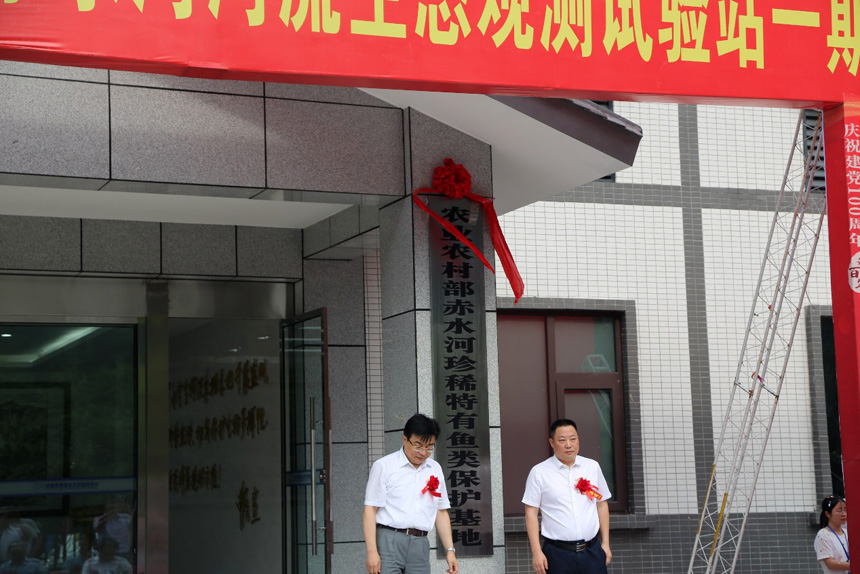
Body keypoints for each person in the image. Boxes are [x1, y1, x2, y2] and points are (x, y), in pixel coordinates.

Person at [363, 414, 459, 574]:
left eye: (429, 447)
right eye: (418, 446)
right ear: (405, 439)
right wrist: (372, 552)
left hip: (420, 543)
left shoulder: (435, 469)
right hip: (389, 540)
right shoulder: (385, 466)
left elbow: (441, 511)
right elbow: (370, 510)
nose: (423, 452)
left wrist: (450, 550)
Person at [522, 419, 611, 574]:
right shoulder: (539, 472)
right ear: (552, 442)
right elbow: (531, 512)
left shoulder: (592, 467)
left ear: (578, 440)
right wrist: (536, 552)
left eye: (573, 439)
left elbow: (601, 504)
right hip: (557, 554)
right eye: (562, 440)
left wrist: (606, 543)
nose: (568, 445)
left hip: (592, 551)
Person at [814, 495, 850, 573]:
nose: (844, 514)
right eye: (839, 510)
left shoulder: (847, 532)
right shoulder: (823, 535)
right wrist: (853, 565)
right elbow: (830, 564)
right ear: (828, 514)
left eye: (845, 510)